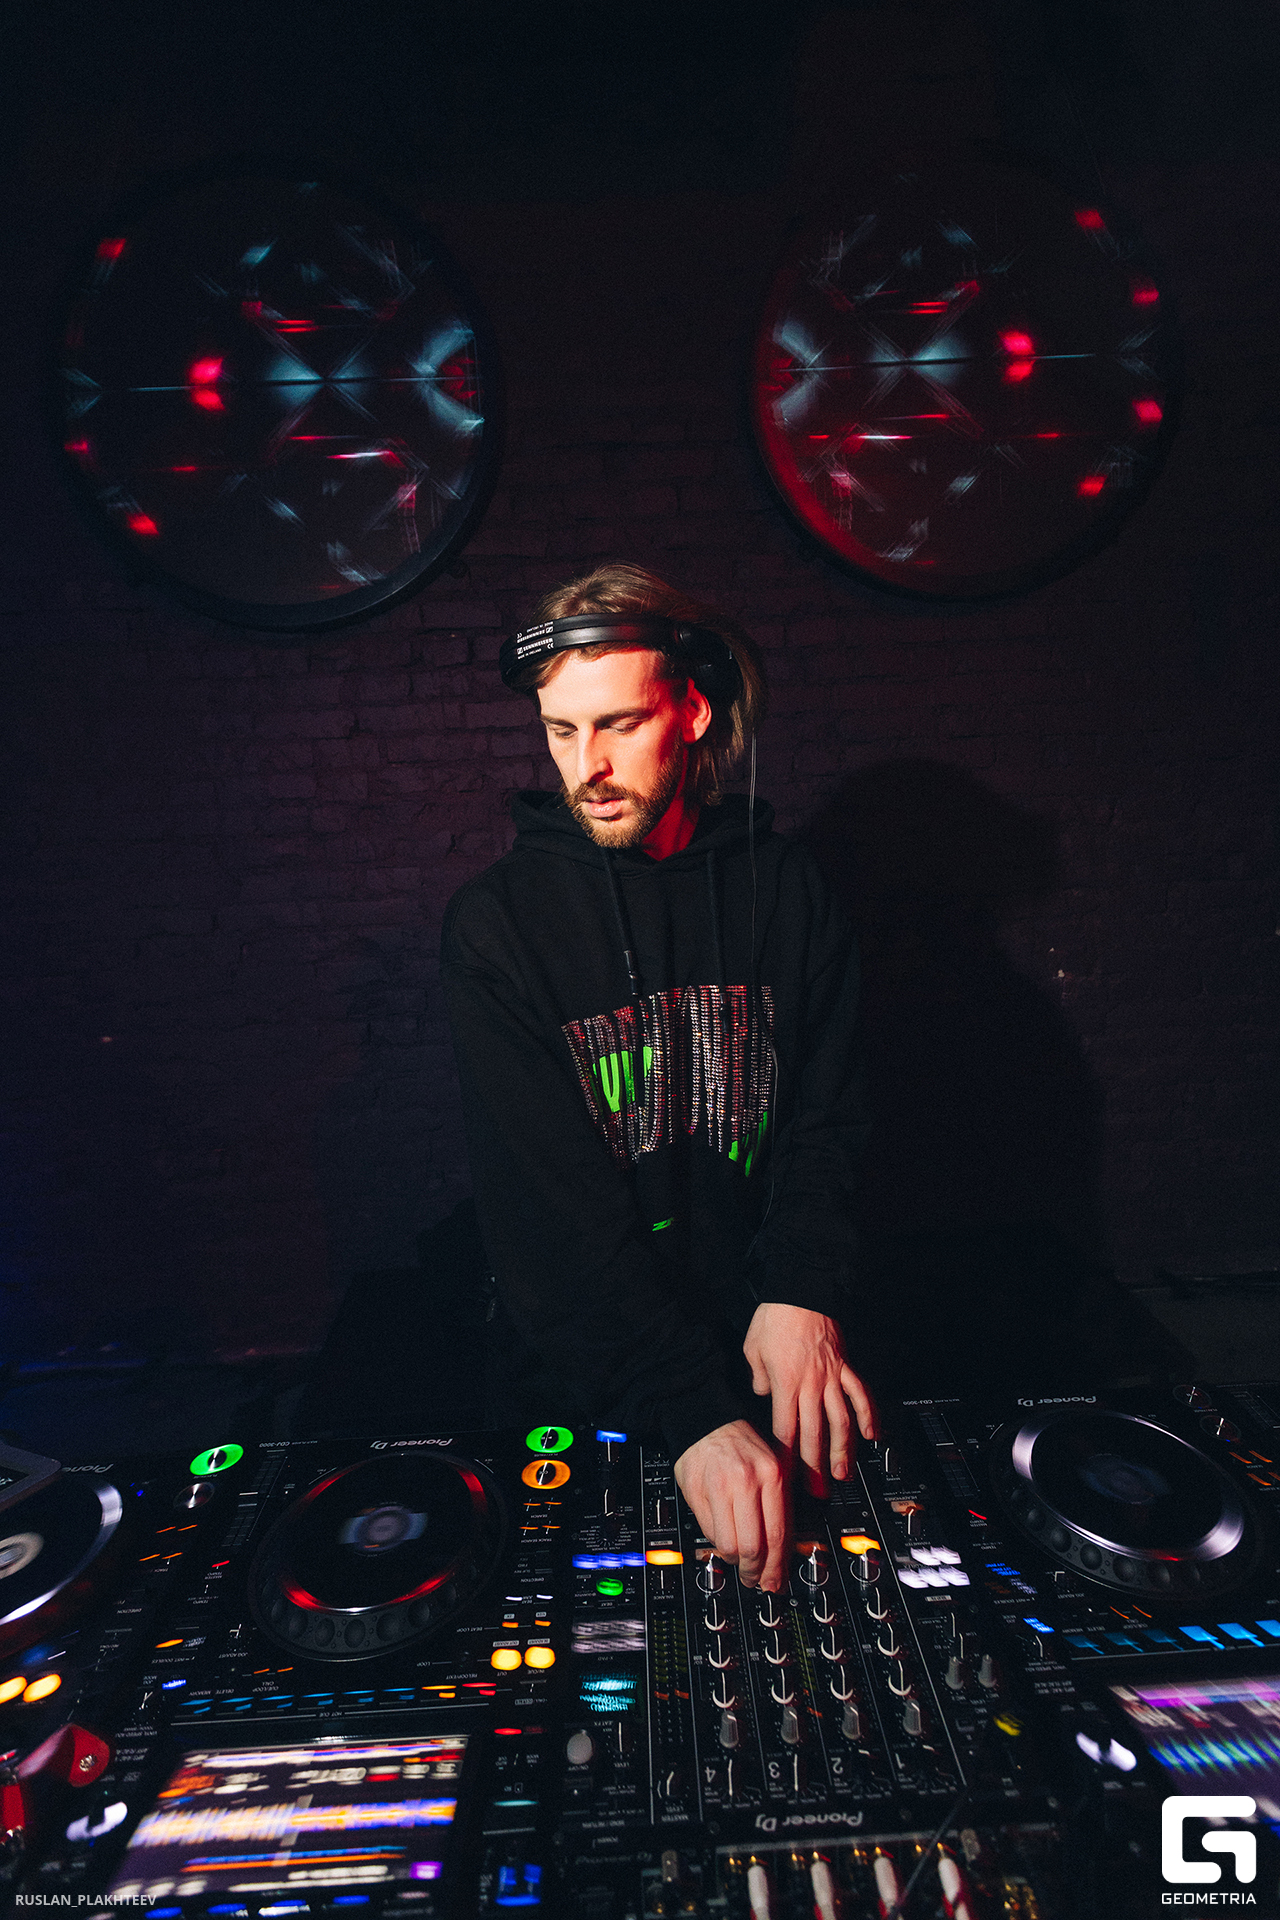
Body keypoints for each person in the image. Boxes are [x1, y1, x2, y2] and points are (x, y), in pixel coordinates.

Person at [441, 563, 876, 1592]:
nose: (585, 766)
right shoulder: (498, 926)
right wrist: (687, 1410)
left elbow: (833, 1115)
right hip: (597, 1383)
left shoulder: (788, 889)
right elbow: (549, 1215)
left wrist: (802, 1290)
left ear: (693, 710)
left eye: (619, 724)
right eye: (560, 731)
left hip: (774, 1353)